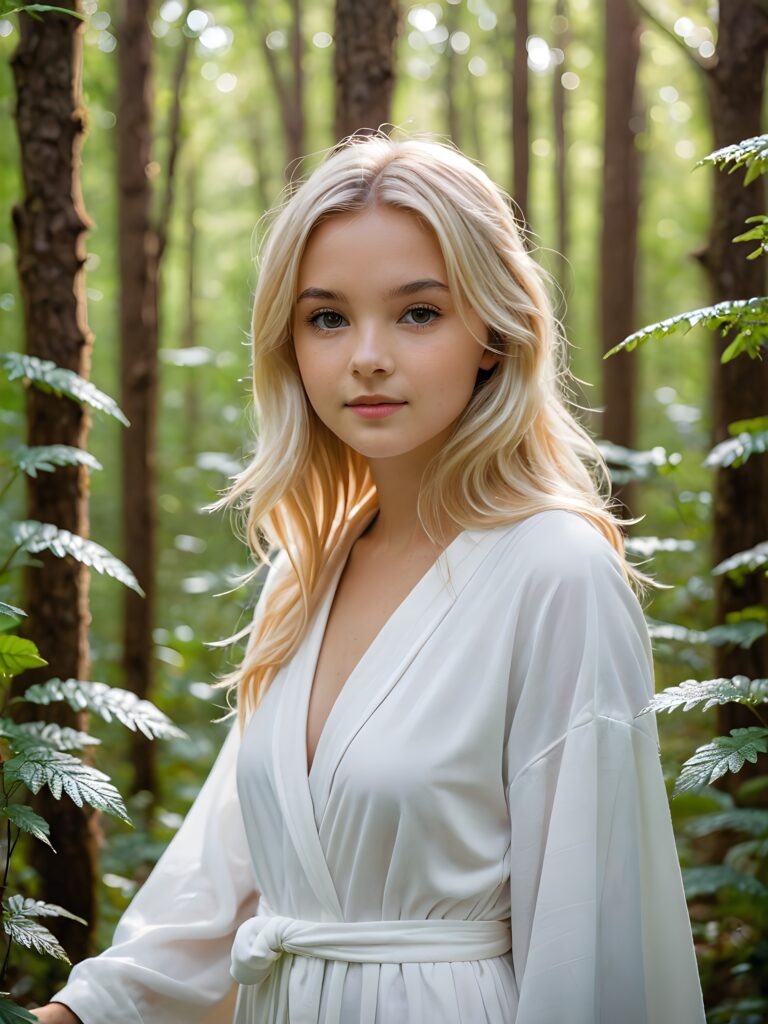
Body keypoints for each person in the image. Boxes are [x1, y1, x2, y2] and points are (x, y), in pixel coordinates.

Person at [34, 130, 706, 1024]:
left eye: (419, 313)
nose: (367, 357)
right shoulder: (304, 574)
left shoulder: (557, 571)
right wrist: (77, 1014)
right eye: (328, 317)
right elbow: (229, 879)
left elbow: (593, 935)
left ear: (495, 334)